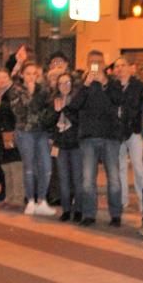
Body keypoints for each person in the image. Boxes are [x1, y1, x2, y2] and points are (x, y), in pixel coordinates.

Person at [69, 50, 123, 228]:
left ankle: (115, 214)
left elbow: (118, 100)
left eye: (99, 62)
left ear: (105, 63)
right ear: (86, 63)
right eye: (92, 62)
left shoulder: (113, 82)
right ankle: (89, 214)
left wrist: (105, 83)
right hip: (88, 137)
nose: (96, 65)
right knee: (87, 180)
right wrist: (86, 85)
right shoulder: (81, 83)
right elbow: (74, 105)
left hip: (110, 136)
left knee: (114, 179)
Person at [11, 62, 56, 216]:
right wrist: (30, 94)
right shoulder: (16, 90)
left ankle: (42, 200)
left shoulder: (43, 90)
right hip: (25, 132)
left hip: (42, 132)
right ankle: (30, 200)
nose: (31, 77)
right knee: (29, 167)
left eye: (34, 74)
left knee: (46, 166)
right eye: (28, 73)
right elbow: (20, 111)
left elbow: (47, 109)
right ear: (22, 74)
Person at [111, 57, 143, 211]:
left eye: (122, 65)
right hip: (117, 133)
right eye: (117, 66)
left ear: (130, 67)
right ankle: (122, 199)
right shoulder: (112, 86)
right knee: (120, 167)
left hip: (134, 131)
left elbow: (142, 109)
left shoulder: (139, 86)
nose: (119, 68)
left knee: (138, 167)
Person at [52, 72, 83, 222]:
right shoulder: (54, 100)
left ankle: (78, 209)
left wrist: (65, 109)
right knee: (63, 179)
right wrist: (55, 112)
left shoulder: (76, 100)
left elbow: (79, 120)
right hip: (60, 144)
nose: (64, 86)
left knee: (77, 179)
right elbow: (48, 122)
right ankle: (66, 209)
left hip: (75, 143)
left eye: (67, 83)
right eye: (61, 83)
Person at [0, 68, 20, 205]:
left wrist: (1, 104)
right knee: (0, 163)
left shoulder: (13, 93)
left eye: (4, 77)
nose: (1, 80)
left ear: (9, 79)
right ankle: (5, 191)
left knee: (12, 163)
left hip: (9, 133)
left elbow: (15, 111)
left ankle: (15, 194)